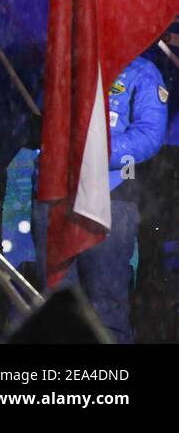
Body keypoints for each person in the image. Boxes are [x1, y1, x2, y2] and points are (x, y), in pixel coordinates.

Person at [32, 52, 168, 343]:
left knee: (104, 305)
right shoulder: (63, 62)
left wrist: (90, 151)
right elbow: (38, 113)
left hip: (110, 198)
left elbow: (149, 136)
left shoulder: (142, 73)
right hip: (54, 195)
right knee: (54, 303)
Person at [135, 18, 179, 341]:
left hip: (163, 150)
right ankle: (155, 331)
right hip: (159, 151)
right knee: (153, 250)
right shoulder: (148, 2)